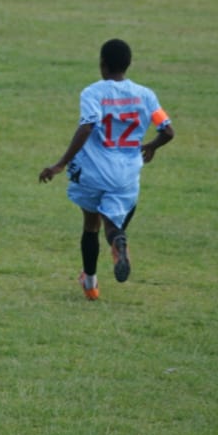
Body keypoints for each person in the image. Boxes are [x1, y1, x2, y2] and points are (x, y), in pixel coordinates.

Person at [38, 39, 174, 301]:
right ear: (128, 64)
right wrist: (153, 146)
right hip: (126, 174)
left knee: (91, 225)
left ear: (102, 64)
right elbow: (167, 130)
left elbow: (87, 125)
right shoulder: (146, 96)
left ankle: (90, 284)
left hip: (93, 171)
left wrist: (60, 163)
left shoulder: (93, 93)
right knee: (112, 225)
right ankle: (118, 242)